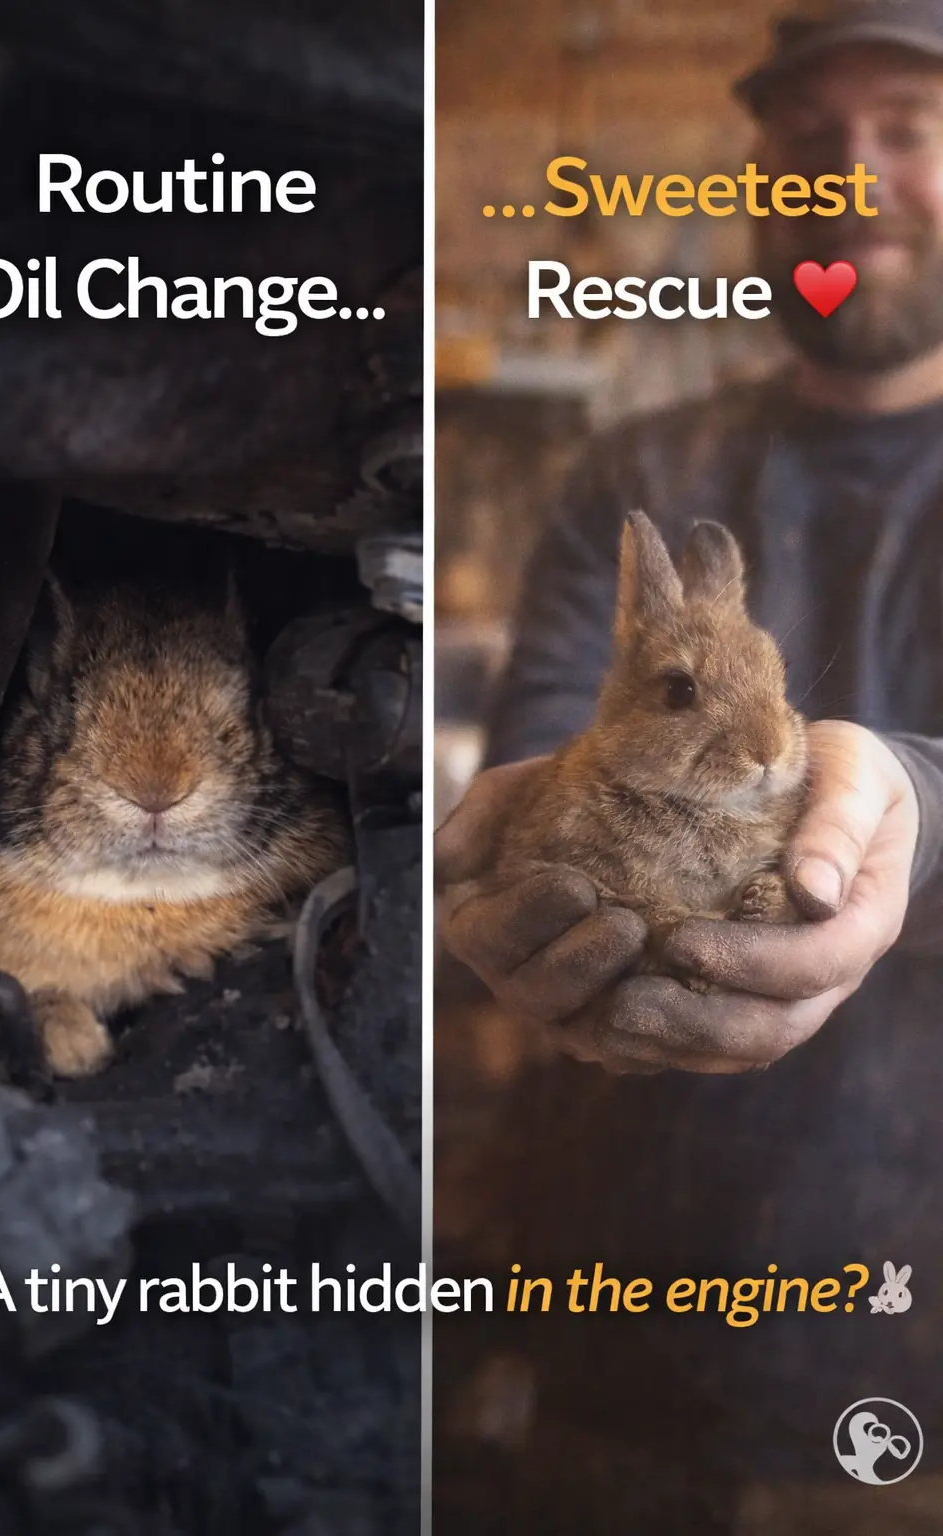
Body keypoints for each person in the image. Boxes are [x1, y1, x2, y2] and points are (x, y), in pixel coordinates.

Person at [436, 1, 943, 1524]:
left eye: (906, 133)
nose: (845, 182)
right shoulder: (637, 471)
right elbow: (539, 749)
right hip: (615, 1272)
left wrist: (912, 793)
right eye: (806, 142)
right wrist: (508, 840)